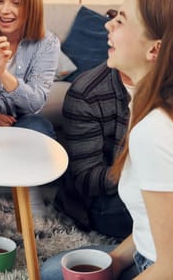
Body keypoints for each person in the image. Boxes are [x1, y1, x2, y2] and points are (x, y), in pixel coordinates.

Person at [41, 0, 173, 279]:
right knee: (54, 272)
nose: (107, 26)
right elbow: (154, 226)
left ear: (154, 49)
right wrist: (114, 261)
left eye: (121, 21)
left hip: (171, 269)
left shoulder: (157, 132)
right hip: (154, 253)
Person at [54, 61, 133, 239]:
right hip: (102, 201)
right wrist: (145, 173)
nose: (109, 33)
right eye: (111, 29)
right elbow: (86, 179)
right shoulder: (88, 92)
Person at [0, 0, 60, 138]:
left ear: (32, 7)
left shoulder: (47, 44)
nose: (4, 10)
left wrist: (2, 73)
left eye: (16, 3)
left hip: (24, 118)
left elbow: (34, 104)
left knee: (37, 126)